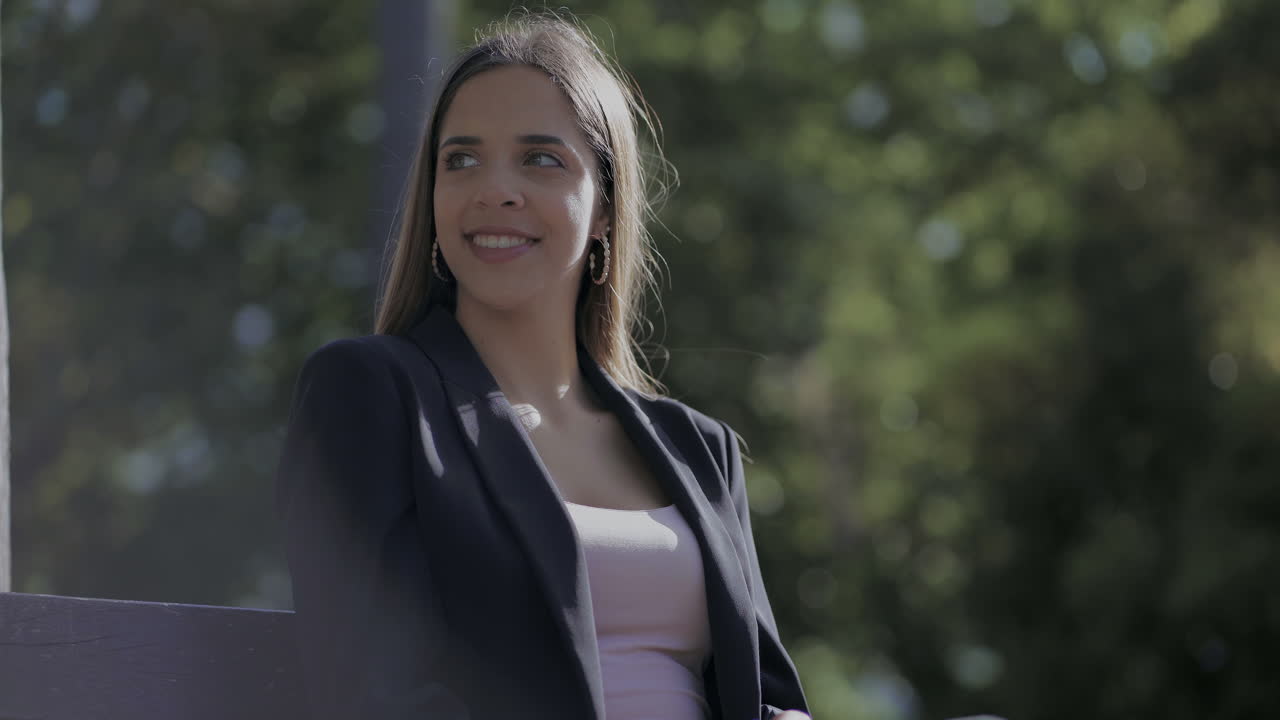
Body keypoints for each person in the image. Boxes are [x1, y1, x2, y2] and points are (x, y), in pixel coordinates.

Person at [275, 11, 811, 720]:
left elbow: (767, 699)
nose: (494, 188)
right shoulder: (370, 395)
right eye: (460, 159)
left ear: (605, 212)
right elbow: (373, 692)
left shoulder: (699, 450)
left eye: (540, 158)